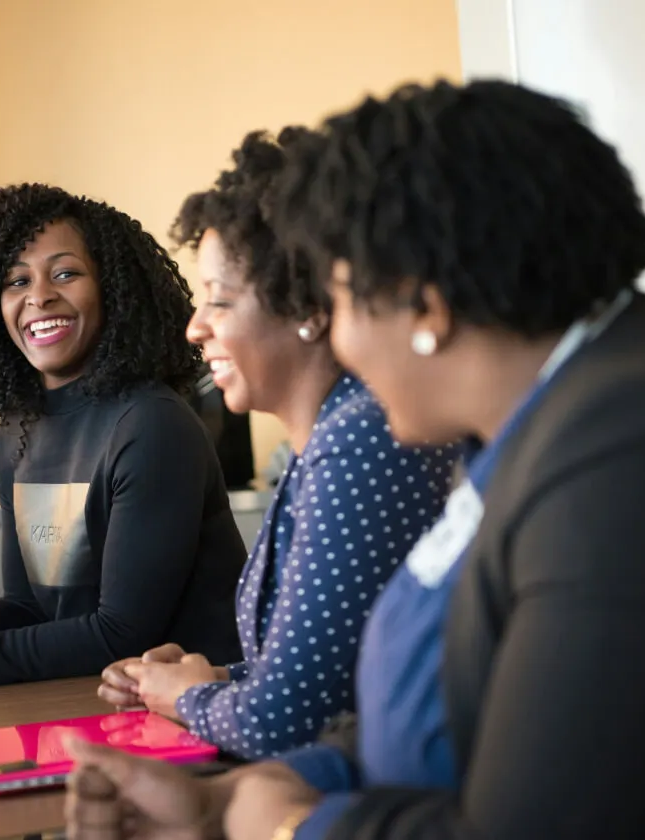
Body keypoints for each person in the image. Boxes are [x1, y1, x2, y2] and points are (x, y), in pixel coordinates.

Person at [63, 79, 645, 840]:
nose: (338, 343)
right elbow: (448, 704)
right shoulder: (546, 416)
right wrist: (248, 791)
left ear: (424, 306)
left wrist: (290, 826)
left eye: (339, 301)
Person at [95, 129, 456, 760]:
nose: (195, 326)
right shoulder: (328, 439)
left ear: (307, 308)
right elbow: (328, 678)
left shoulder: (360, 442)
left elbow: (282, 723)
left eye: (219, 301)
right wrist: (200, 682)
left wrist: (187, 699)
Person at [0, 184, 247, 695]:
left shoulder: (151, 424)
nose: (39, 296)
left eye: (66, 273)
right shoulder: (17, 431)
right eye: (16, 281)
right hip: (81, 696)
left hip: (195, 715)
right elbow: (27, 608)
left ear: (113, 290)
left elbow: (120, 633)